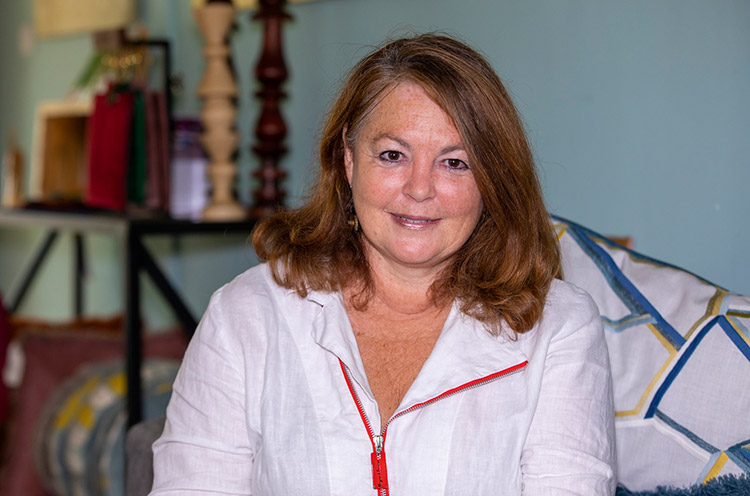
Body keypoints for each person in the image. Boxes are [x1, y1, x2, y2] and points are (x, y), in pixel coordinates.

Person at [151, 34, 616, 495]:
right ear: (349, 160)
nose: (419, 188)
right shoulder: (244, 315)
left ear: (492, 179)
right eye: (393, 155)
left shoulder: (559, 327)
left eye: (455, 163)